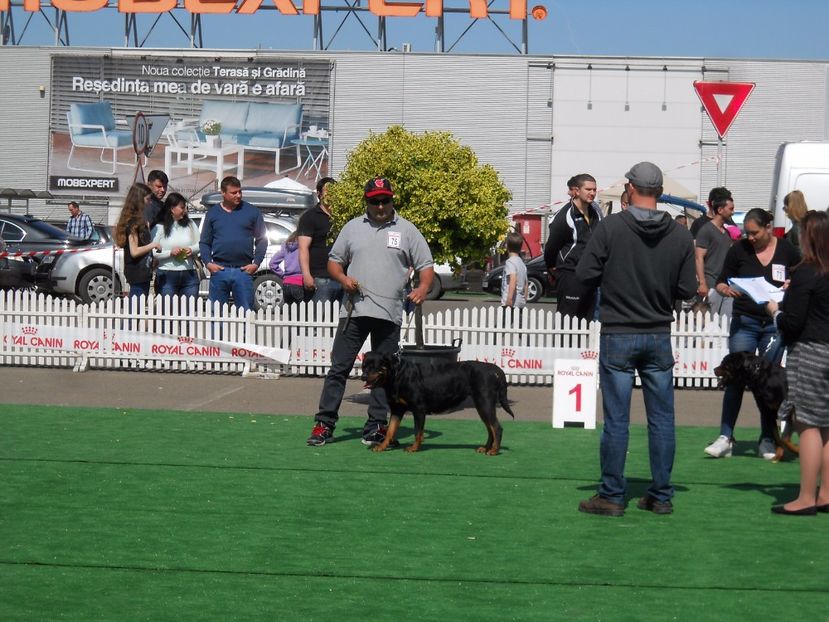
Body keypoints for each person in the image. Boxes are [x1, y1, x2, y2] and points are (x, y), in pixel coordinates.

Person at [575, 162, 696, 516]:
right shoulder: (679, 235)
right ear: (659, 192)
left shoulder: (611, 227)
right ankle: (660, 495)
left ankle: (612, 495)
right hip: (658, 334)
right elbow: (688, 288)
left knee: (617, 421)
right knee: (662, 419)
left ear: (630, 187)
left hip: (619, 332)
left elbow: (585, 274)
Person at [306, 177, 434, 447]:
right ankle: (324, 424)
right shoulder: (352, 228)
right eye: (374, 201)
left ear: (391, 199)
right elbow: (334, 263)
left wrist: (423, 288)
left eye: (384, 200)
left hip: (389, 314)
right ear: (366, 201)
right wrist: (343, 280)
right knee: (338, 368)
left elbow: (425, 265)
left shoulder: (407, 230)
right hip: (354, 311)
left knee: (384, 375)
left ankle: (376, 426)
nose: (380, 206)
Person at [704, 208, 801, 459]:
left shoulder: (788, 250)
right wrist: (725, 289)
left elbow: (802, 273)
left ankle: (767, 439)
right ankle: (725, 437)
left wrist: (793, 282)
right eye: (747, 233)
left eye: (755, 232)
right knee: (734, 378)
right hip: (744, 321)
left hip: (773, 323)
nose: (750, 237)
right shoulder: (738, 250)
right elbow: (721, 280)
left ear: (769, 227)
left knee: (768, 384)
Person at [765, 210, 829, 515]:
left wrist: (775, 310)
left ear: (809, 237)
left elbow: (792, 323)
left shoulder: (806, 271)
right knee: (828, 426)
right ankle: (826, 494)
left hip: (811, 351)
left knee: (807, 425)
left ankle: (806, 497)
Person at [199, 176, 267, 312]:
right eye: (234, 192)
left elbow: (262, 240)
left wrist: (256, 263)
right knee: (216, 314)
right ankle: (216, 334)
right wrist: (208, 263)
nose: (238, 195)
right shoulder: (212, 213)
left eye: (240, 191)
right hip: (219, 270)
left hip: (243, 271)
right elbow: (205, 242)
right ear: (223, 193)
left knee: (246, 313)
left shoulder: (252, 212)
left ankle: (244, 334)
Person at [544, 173, 603, 321]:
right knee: (568, 321)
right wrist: (552, 268)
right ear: (576, 191)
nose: (593, 193)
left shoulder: (596, 211)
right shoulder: (564, 217)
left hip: (590, 275)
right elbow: (551, 248)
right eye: (588, 189)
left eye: (595, 190)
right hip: (570, 274)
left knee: (588, 322)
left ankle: (584, 345)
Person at [296, 176, 342, 304]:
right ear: (319, 194)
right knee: (319, 320)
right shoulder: (310, 217)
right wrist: (306, 275)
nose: (332, 195)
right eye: (328, 191)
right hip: (320, 278)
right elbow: (303, 248)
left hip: (341, 276)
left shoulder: (342, 216)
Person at [114, 183, 161, 298]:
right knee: (136, 308)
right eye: (148, 199)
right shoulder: (133, 223)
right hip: (137, 271)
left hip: (143, 270)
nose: (150, 202)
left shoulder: (141, 221)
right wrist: (153, 245)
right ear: (139, 200)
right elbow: (134, 251)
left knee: (138, 306)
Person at [151, 192, 201, 298]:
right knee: (167, 311)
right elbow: (152, 252)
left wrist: (192, 249)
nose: (185, 211)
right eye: (182, 207)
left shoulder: (190, 224)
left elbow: (201, 244)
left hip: (189, 274)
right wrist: (170, 253)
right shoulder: (159, 227)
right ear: (171, 208)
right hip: (166, 274)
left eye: (185, 207)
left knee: (189, 311)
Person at [694, 191, 736, 318]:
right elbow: (698, 257)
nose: (733, 212)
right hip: (710, 283)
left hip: (726, 284)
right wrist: (702, 283)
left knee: (724, 325)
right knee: (708, 324)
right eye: (731, 209)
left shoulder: (726, 232)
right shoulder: (706, 230)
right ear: (720, 209)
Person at [269, 230, 312, 305]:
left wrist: (283, 275)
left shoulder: (285, 247)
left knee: (289, 312)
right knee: (300, 312)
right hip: (299, 282)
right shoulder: (303, 248)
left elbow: (272, 264)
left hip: (286, 283)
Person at [501, 231, 528, 310]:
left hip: (511, 302)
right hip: (520, 302)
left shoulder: (510, 262)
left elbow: (513, 279)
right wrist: (525, 298)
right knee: (517, 322)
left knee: (505, 322)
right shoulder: (522, 263)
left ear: (507, 246)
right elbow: (526, 283)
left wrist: (509, 299)